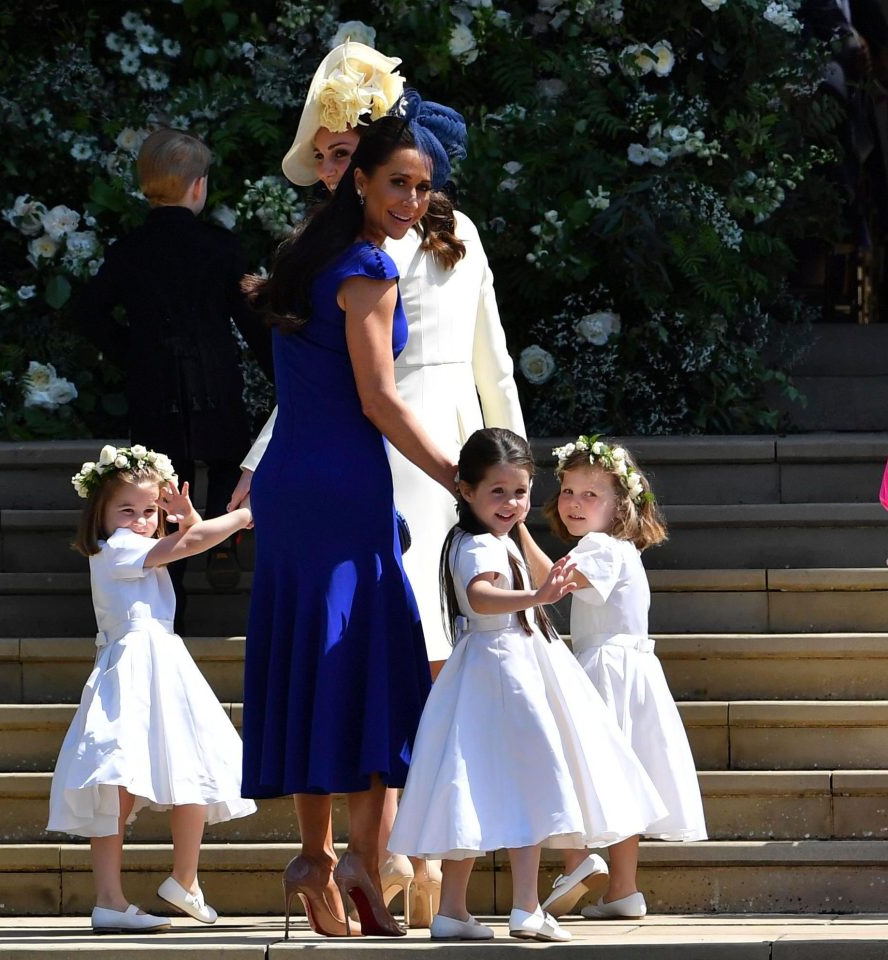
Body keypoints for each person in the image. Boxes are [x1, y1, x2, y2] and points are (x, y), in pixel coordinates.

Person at [230, 41, 525, 926]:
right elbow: (379, 401)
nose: (412, 200)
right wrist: (463, 479)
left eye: (419, 185)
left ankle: (339, 865)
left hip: (308, 480)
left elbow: (328, 387)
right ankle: (351, 863)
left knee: (321, 670)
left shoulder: (303, 255)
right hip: (355, 478)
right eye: (395, 182)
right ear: (358, 179)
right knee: (366, 671)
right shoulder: (365, 268)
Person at [388, 428, 668, 942]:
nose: (512, 503)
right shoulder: (477, 546)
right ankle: (525, 907)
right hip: (504, 671)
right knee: (534, 781)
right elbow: (481, 596)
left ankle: (454, 910)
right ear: (466, 490)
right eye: (497, 491)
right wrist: (535, 596)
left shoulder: (491, 540)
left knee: (474, 787)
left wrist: (534, 589)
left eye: (519, 492)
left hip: (495, 668)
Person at [47, 444, 256, 933]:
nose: (140, 520)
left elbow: (189, 538)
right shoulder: (116, 547)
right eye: (127, 509)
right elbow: (189, 546)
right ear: (100, 513)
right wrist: (244, 515)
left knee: (190, 766)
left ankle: (186, 880)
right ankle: (109, 899)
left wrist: (186, 516)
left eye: (149, 511)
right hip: (134, 668)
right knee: (117, 780)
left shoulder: (139, 547)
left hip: (163, 662)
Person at [79, 127, 273, 630]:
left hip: (154, 384)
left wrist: (130, 353)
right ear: (198, 187)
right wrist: (283, 374)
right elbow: (249, 317)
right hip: (214, 376)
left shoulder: (130, 249)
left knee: (162, 481)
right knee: (229, 458)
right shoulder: (221, 247)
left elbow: (91, 312)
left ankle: (173, 591)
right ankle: (221, 539)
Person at [538, 435, 707, 920]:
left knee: (582, 769)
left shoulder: (600, 546)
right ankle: (623, 889)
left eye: (591, 495)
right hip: (631, 671)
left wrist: (514, 540)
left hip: (603, 672)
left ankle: (578, 861)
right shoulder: (617, 548)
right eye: (569, 491)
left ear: (619, 507)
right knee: (621, 778)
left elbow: (553, 587)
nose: (574, 503)